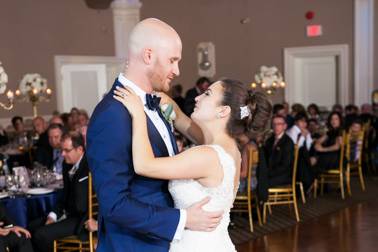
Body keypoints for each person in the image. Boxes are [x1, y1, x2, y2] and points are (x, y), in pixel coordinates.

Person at [87, 18, 224, 252]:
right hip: (133, 245)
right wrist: (182, 219)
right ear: (148, 56)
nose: (177, 71)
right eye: (173, 60)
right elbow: (114, 204)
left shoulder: (160, 104)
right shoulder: (112, 114)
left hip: (166, 241)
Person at [113, 78, 271, 251]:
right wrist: (169, 103)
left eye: (207, 94)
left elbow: (144, 165)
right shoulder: (229, 149)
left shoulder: (207, 156)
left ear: (223, 111)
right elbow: (185, 123)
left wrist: (138, 114)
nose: (197, 98)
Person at [29, 131, 89, 252]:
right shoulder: (66, 165)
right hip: (67, 214)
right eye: (62, 150)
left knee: (41, 235)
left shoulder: (90, 165)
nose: (62, 154)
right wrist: (53, 216)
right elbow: (64, 196)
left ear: (80, 149)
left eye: (67, 150)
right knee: (30, 227)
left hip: (82, 219)